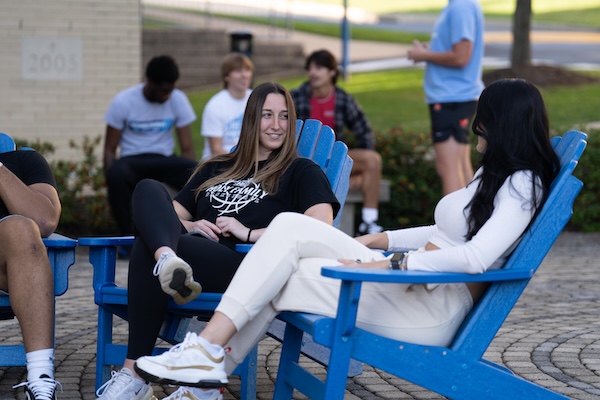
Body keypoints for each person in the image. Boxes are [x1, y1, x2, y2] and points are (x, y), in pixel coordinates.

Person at [131, 79, 560, 392]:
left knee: (290, 230)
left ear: (498, 122)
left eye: (481, 117)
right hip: (405, 289)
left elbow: (475, 259)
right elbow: (442, 230)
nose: (473, 125)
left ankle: (203, 358)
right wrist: (381, 240)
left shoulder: (524, 183)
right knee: (280, 269)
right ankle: (203, 376)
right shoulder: (495, 175)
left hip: (429, 306)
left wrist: (392, 262)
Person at [95, 82, 340, 400]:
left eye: (283, 116)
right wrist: (191, 223)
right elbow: (167, 214)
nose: (277, 125)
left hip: (243, 268)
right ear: (252, 119)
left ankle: (135, 374)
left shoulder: (300, 171)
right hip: (187, 255)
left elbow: (320, 227)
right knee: (147, 188)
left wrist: (249, 233)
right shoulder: (216, 166)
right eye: (267, 115)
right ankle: (168, 261)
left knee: (147, 248)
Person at [104, 55, 198, 239]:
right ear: (150, 82)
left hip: (164, 159)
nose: (167, 96)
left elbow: (187, 148)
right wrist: (109, 179)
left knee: (198, 172)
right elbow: (109, 149)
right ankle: (127, 237)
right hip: (133, 161)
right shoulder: (123, 101)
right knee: (116, 173)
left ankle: (193, 230)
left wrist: (193, 176)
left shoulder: (178, 99)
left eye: (170, 91)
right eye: (163, 91)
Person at [291, 49, 383, 236]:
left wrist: (354, 170)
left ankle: (369, 223)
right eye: (310, 68)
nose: (313, 73)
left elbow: (364, 132)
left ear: (332, 72)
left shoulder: (342, 99)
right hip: (301, 161)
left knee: (373, 160)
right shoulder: (297, 96)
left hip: (332, 160)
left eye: (319, 68)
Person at [0, 149, 62, 399]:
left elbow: (44, 220)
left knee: (22, 227)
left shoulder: (25, 162)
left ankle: (41, 377)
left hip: (8, 262)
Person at [407, 0, 484, 196]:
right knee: (459, 166)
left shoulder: (461, 7)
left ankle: (455, 226)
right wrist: (427, 52)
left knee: (448, 168)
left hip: (451, 97)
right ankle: (473, 223)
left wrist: (424, 55)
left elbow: (461, 57)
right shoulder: (460, 5)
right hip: (455, 96)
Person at [201, 52, 254, 161]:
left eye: (247, 70)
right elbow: (216, 150)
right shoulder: (215, 105)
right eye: (238, 71)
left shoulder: (256, 99)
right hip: (221, 163)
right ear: (226, 76)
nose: (244, 75)